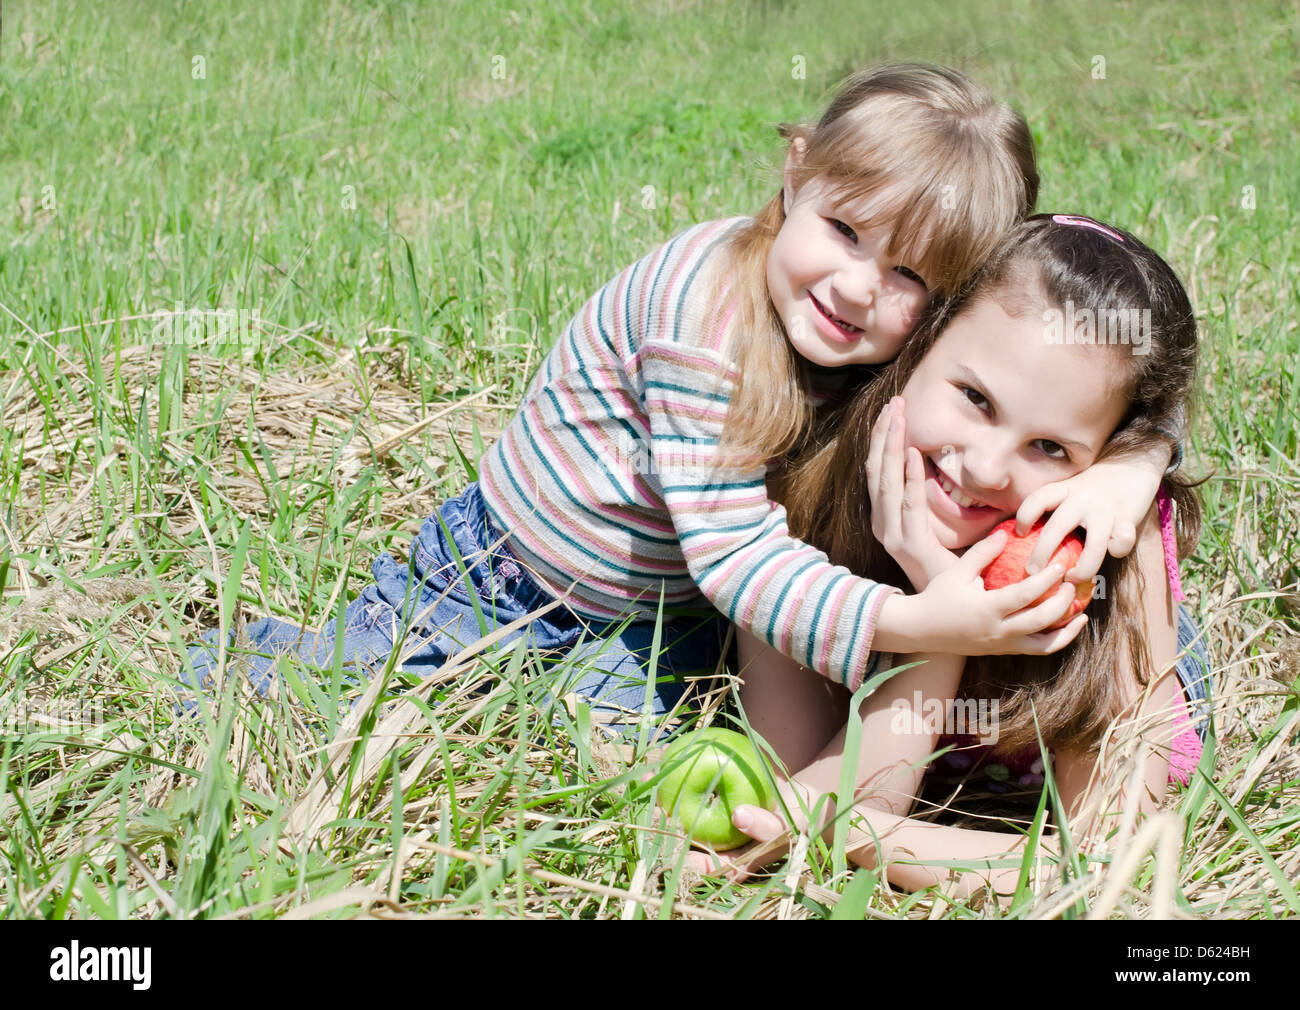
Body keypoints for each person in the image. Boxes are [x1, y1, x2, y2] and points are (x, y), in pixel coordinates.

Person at [179, 65, 1165, 735]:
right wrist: (924, 625)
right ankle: (220, 663)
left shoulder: (869, 328)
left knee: (620, 725)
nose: (861, 286)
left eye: (910, 274)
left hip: (660, 609)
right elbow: (738, 559)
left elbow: (1072, 323)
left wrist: (1136, 457)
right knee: (347, 693)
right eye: (845, 229)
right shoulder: (706, 319)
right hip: (508, 584)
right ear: (793, 174)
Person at [690, 214, 1208, 901]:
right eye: (975, 399)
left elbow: (1113, 861)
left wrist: (844, 831)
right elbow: (799, 777)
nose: (987, 469)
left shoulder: (1112, 544)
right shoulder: (796, 500)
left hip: (1134, 670)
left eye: (1051, 449)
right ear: (917, 344)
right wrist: (939, 618)